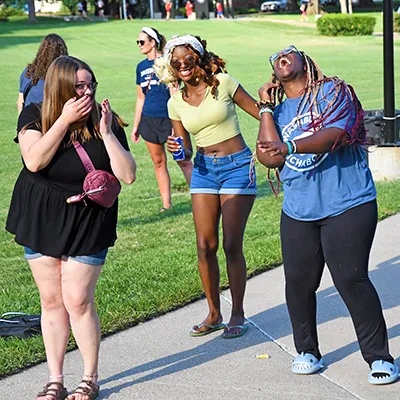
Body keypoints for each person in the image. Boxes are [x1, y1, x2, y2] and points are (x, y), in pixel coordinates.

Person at [256, 45, 399, 384]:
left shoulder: (335, 92)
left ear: (306, 62)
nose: (281, 56)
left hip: (347, 203)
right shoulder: (277, 114)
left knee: (350, 279)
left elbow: (337, 135)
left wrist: (290, 146)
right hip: (299, 210)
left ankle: (379, 358)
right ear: (274, 75)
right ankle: (307, 351)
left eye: (289, 53)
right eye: (275, 58)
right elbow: (268, 157)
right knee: (299, 284)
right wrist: (264, 106)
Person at [6, 55, 136, 400]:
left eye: (91, 84)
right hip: (42, 216)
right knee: (51, 301)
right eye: (79, 85)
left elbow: (128, 174)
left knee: (77, 300)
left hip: (89, 219)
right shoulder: (35, 117)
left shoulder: (103, 120)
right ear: (61, 86)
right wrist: (63, 122)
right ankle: (55, 380)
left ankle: (89, 378)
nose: (87, 91)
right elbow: (34, 161)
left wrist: (107, 133)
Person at [154, 35, 260, 338]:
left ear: (199, 58)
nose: (182, 65)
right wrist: (177, 147)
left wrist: (275, 145)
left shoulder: (223, 84)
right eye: (176, 62)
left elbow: (261, 112)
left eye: (188, 59)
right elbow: (184, 152)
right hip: (202, 170)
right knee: (205, 245)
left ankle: (237, 312)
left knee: (230, 244)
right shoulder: (175, 102)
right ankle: (214, 313)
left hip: (237, 167)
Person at [132, 27, 193, 212]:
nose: (139, 45)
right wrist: (136, 125)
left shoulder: (167, 62)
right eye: (138, 42)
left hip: (168, 120)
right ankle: (166, 205)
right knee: (158, 162)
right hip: (148, 121)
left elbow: (175, 92)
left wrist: (177, 123)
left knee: (182, 160)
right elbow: (140, 97)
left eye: (142, 42)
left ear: (153, 42)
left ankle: (200, 196)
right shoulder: (140, 67)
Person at [17, 33, 68, 115]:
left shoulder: (28, 71)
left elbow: (20, 101)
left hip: (30, 120)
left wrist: (22, 123)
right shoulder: (64, 74)